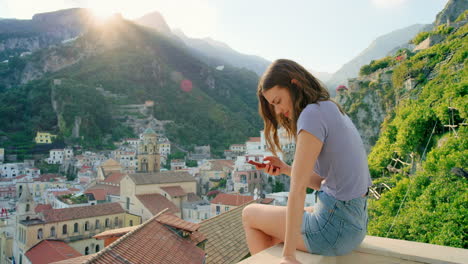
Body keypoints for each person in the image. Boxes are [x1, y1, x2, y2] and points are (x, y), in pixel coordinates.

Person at [241, 59, 372, 264]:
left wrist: (288, 255)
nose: (277, 111)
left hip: (335, 228)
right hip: (355, 224)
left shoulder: (311, 114)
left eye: (278, 101)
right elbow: (322, 183)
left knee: (249, 214)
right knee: (276, 231)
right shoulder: (330, 108)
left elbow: (298, 188)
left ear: (295, 84)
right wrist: (284, 169)